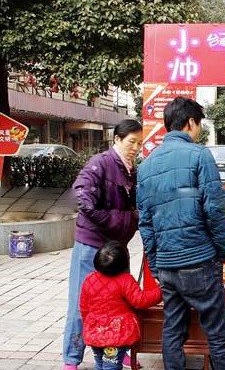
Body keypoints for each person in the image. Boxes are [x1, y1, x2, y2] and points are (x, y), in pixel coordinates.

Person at [137, 97, 225, 370]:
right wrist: (222, 251)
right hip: (199, 261)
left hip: (168, 265)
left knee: (172, 330)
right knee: (218, 332)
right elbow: (215, 208)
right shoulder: (199, 155)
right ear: (190, 122)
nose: (199, 130)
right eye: (199, 124)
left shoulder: (145, 166)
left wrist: (156, 265)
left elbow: (145, 222)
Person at [62, 119, 143, 370]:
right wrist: (114, 221)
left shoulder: (130, 168)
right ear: (117, 139)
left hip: (117, 247)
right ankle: (72, 359)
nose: (135, 148)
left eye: (139, 143)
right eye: (131, 142)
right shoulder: (100, 163)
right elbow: (81, 197)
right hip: (92, 246)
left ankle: (116, 352)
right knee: (81, 302)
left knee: (118, 303)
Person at [80, 241, 162, 370]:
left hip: (95, 332)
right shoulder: (125, 280)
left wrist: (88, 325)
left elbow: (84, 307)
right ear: (124, 263)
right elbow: (140, 300)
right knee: (110, 367)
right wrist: (161, 290)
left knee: (100, 364)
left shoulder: (89, 279)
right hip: (115, 336)